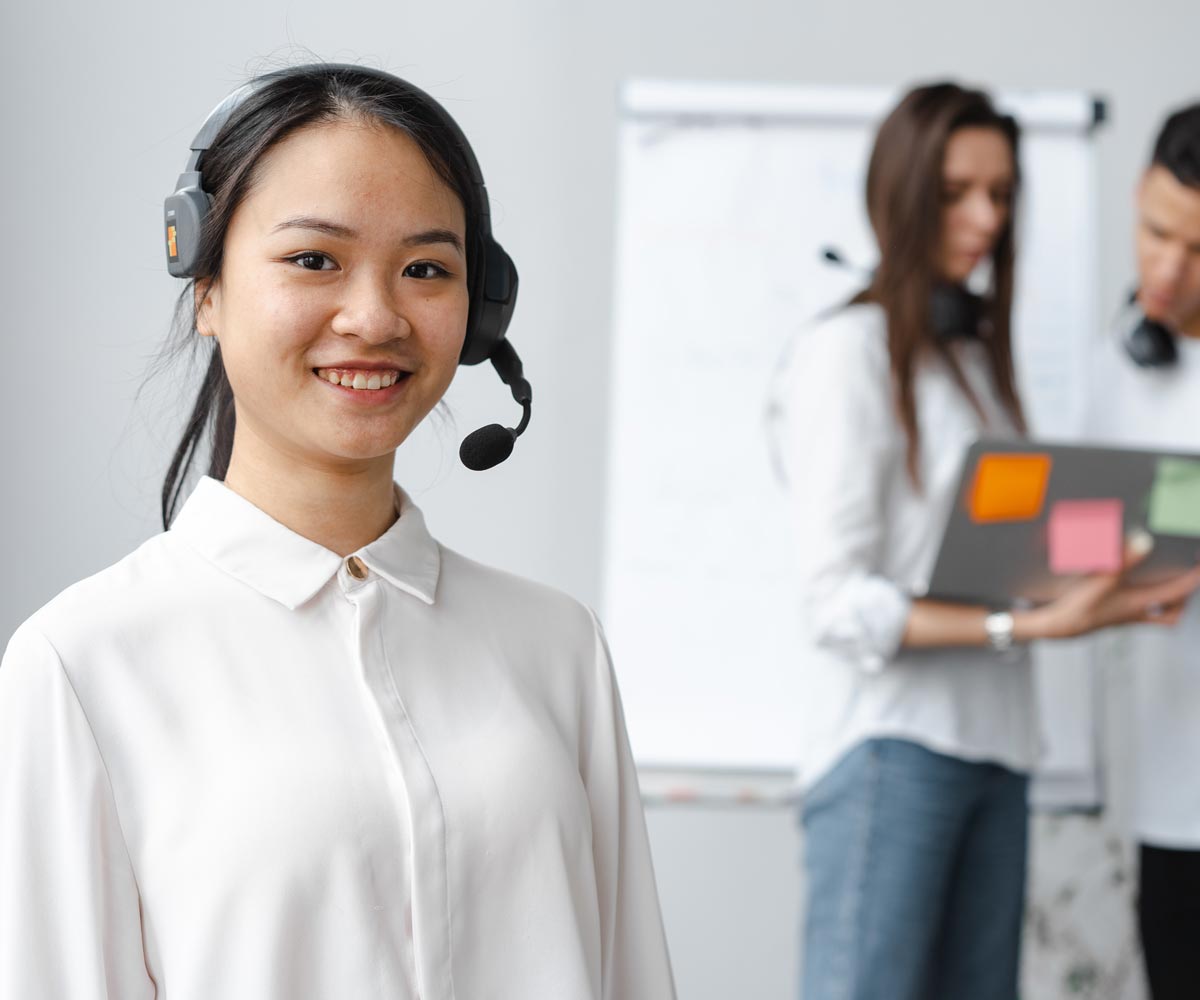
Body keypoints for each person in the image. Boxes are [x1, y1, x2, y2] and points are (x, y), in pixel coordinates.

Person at [0, 64, 675, 1000]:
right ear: (207, 288)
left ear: (481, 313)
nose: (375, 316)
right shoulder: (81, 663)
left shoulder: (557, 646)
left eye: (427, 269)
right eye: (315, 259)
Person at [769, 82, 1200, 1000]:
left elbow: (1008, 556)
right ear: (901, 190)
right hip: (896, 751)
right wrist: (1025, 630)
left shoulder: (976, 363)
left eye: (1002, 195)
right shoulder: (849, 353)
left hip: (1001, 753)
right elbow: (835, 603)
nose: (984, 217)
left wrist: (1111, 586)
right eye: (958, 190)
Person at [1082, 101, 1200, 1000]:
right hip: (1175, 795)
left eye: (1198, 250)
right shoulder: (1114, 371)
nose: (1167, 269)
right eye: (1157, 231)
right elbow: (1071, 542)